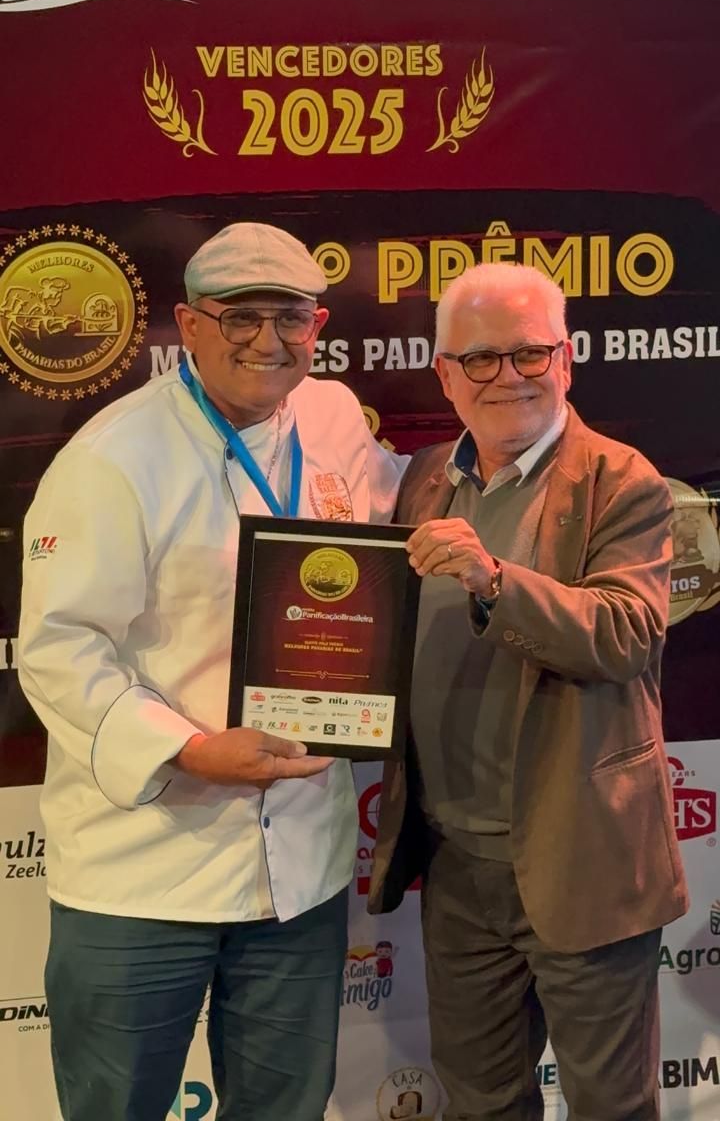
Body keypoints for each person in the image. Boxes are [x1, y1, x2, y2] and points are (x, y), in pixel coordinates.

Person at [19, 221, 408, 1121]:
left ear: (318, 327)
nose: (269, 342)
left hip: (299, 872)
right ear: (188, 328)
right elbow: (58, 648)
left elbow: (400, 517)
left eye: (293, 318)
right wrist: (190, 749)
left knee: (282, 1110)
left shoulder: (332, 417)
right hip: (144, 873)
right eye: (241, 317)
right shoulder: (113, 459)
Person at [369, 262, 688, 1121]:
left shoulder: (623, 480)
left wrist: (491, 578)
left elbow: (624, 633)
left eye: (529, 353)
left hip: (582, 858)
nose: (507, 376)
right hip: (458, 866)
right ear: (444, 375)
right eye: (479, 360)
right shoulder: (424, 477)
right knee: (479, 1101)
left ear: (567, 358)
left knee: (611, 1107)